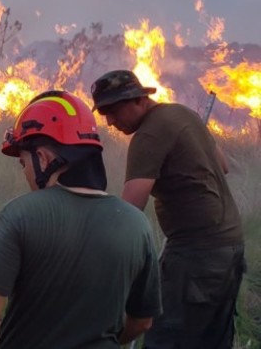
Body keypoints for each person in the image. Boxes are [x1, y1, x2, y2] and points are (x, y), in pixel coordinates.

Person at [0, 90, 161, 349]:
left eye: (23, 163)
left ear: (43, 158)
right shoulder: (137, 224)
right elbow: (142, 322)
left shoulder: (19, 215)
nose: (25, 173)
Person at [90, 69, 246, 348]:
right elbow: (222, 165)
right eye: (104, 114)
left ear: (137, 100)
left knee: (166, 338)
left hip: (196, 255)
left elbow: (130, 211)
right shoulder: (183, 114)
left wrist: (96, 248)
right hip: (230, 246)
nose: (110, 121)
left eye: (113, 110)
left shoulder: (148, 136)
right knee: (212, 341)